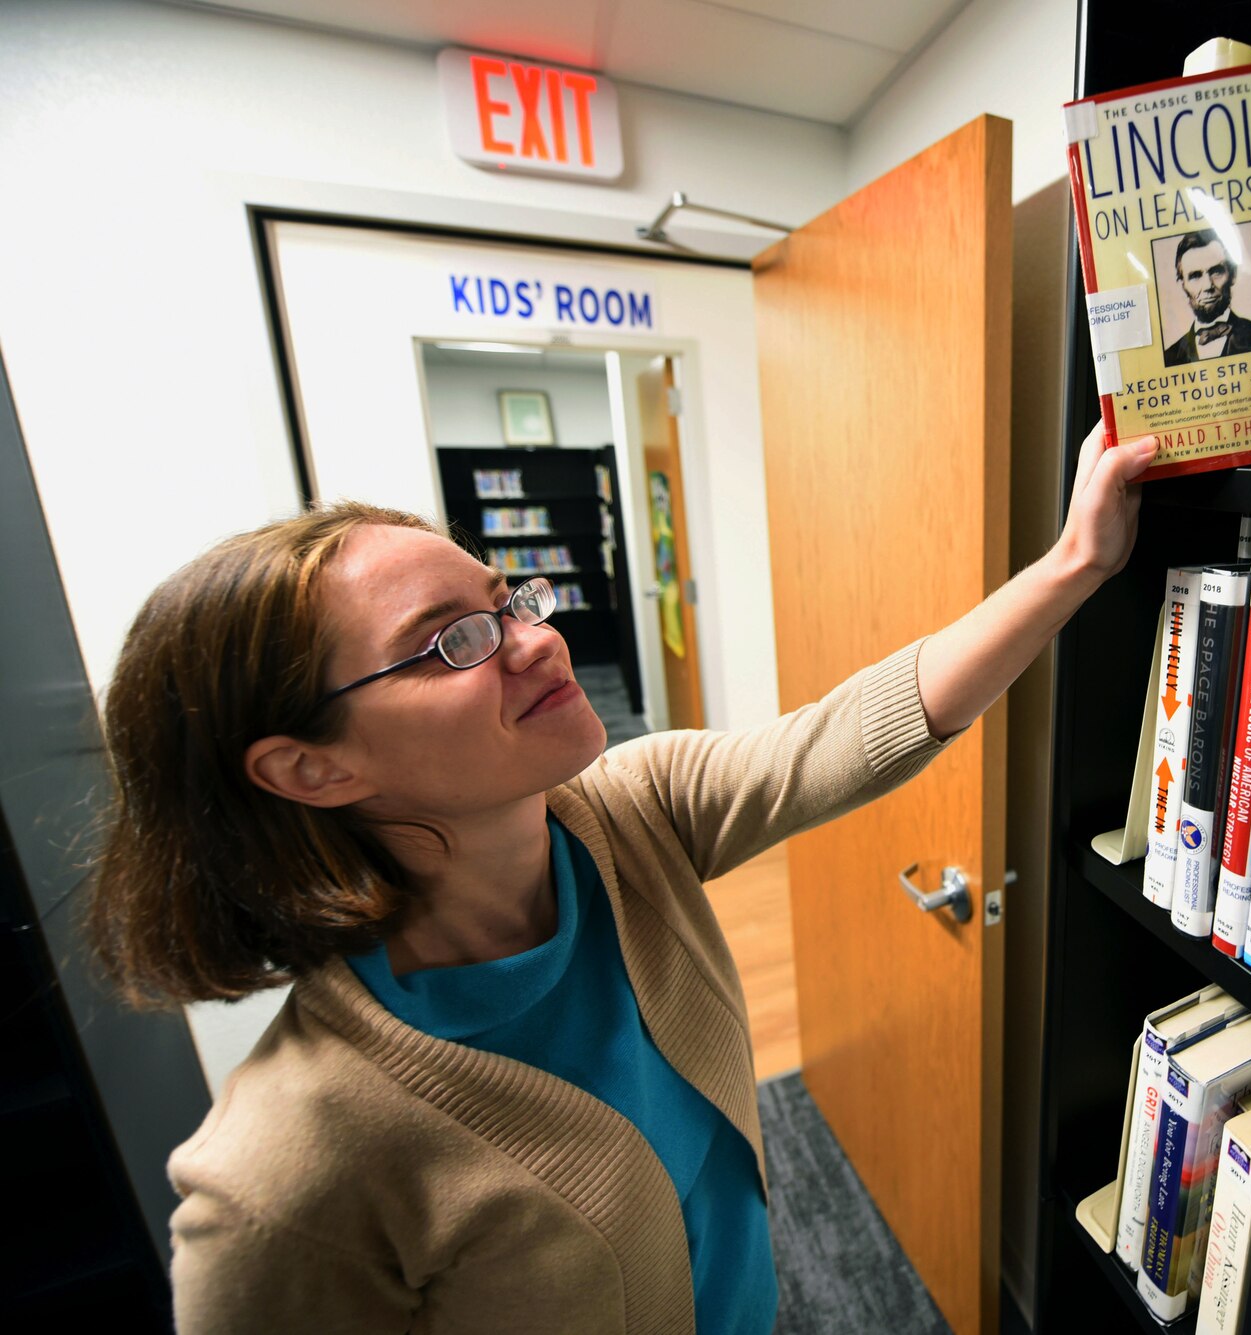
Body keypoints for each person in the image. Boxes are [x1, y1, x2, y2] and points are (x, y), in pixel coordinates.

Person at [87, 422, 1157, 1334]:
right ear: (310, 767)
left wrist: (1074, 561)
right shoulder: (280, 1180)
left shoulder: (626, 815)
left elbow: (849, 735)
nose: (537, 642)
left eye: (510, 601)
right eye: (453, 642)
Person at [1161, 228, 1251, 366]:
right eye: (1195, 276)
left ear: (1233, 275)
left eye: (1216, 272)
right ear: (1183, 285)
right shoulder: (1169, 357)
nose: (1207, 286)